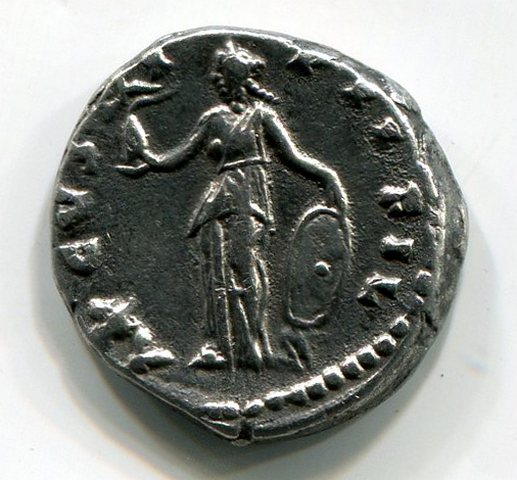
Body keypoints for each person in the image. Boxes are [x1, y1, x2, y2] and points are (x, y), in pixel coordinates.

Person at [118, 41, 347, 370]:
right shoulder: (213, 119)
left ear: (236, 80)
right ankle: (221, 346)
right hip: (220, 197)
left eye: (224, 78)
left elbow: (292, 156)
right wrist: (148, 158)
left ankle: (254, 345)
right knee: (217, 268)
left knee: (248, 267)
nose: (220, 84)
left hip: (250, 195)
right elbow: (177, 157)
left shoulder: (262, 116)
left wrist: (326, 175)